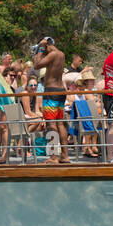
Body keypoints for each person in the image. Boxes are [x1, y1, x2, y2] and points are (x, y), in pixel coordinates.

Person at [31, 36, 69, 164]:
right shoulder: (61, 54)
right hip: (61, 91)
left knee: (51, 124)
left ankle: (53, 157)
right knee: (60, 123)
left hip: (51, 91)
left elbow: (36, 65)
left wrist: (40, 49)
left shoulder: (52, 54)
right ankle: (65, 155)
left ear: (47, 46)